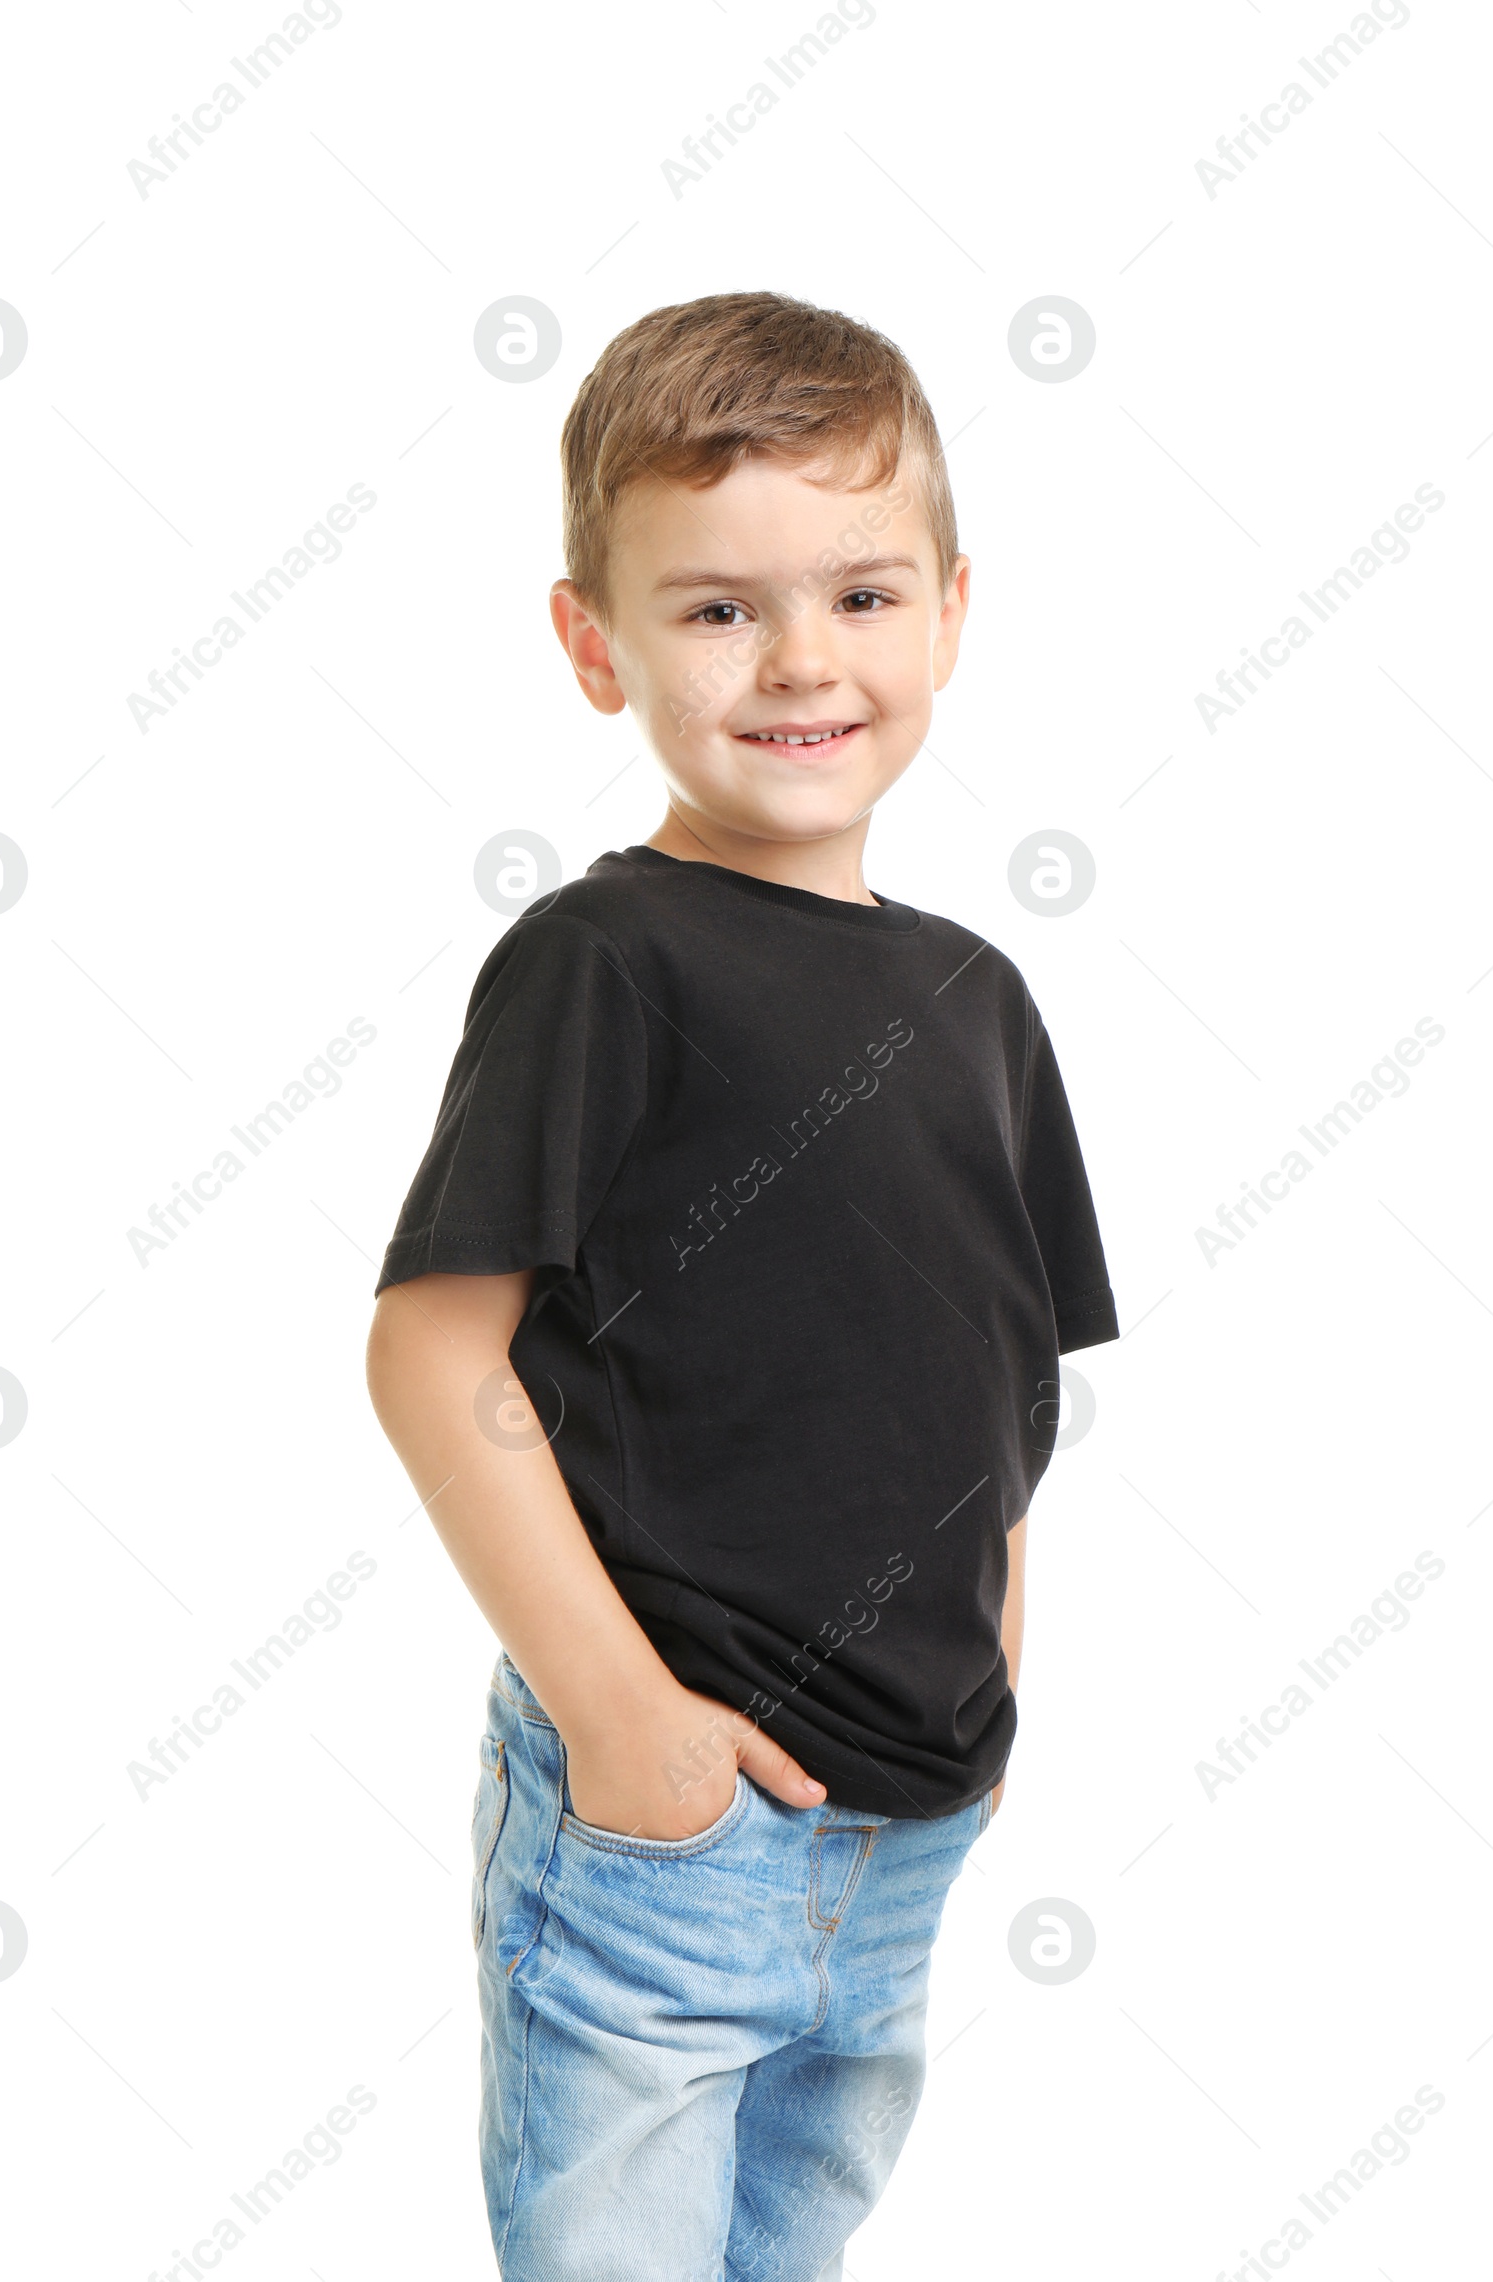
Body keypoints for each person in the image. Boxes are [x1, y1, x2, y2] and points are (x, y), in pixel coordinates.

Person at [365, 289, 1119, 2281]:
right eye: (714, 611)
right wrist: (627, 1728)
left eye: (860, 595)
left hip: (905, 1835)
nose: (798, 660)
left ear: (952, 610)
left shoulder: (975, 999)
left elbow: (994, 1400)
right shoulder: (604, 961)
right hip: (666, 1838)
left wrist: (993, 1698)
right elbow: (432, 1351)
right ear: (590, 642)